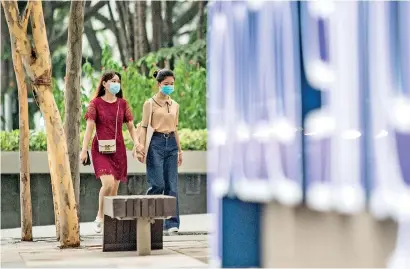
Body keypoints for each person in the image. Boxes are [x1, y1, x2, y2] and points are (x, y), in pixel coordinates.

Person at [80, 71, 138, 233]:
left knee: (113, 191)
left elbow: (131, 127)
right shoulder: (95, 104)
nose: (116, 84)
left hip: (118, 149)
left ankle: (109, 225)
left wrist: (137, 143)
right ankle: (99, 216)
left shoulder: (123, 104)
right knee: (108, 183)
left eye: (118, 81)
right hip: (100, 149)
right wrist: (84, 150)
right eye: (112, 81)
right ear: (104, 83)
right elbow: (89, 129)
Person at [136, 69, 182, 234]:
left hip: (171, 144)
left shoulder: (175, 105)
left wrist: (180, 150)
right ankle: (149, 221)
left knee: (172, 185)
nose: (169, 87)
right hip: (155, 142)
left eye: (172, 84)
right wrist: (140, 146)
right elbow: (143, 126)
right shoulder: (150, 103)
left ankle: (172, 224)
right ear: (158, 84)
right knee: (157, 184)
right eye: (166, 84)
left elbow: (175, 128)